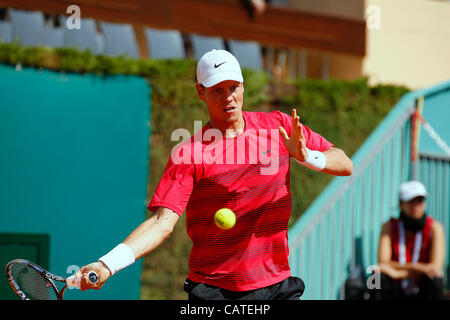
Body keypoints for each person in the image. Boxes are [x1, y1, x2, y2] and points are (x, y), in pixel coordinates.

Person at [74, 49, 353, 300]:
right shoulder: (190, 153)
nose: (228, 97)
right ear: (200, 92)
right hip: (215, 292)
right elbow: (161, 223)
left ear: (243, 87)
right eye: (217, 90)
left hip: (276, 285)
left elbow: (344, 163)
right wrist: (108, 264)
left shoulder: (278, 127)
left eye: (233, 87)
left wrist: (307, 157)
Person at [374, 180, 446, 300]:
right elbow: (383, 263)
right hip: (396, 287)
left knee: (435, 280)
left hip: (420, 286)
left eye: (420, 200)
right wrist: (421, 269)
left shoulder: (435, 227)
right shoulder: (389, 226)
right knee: (375, 278)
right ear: (401, 204)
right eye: (411, 201)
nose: (416, 205)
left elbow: (435, 267)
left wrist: (399, 273)